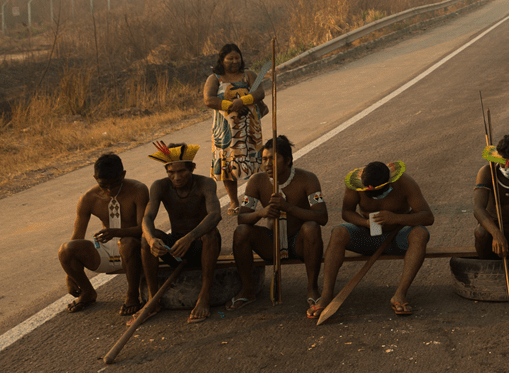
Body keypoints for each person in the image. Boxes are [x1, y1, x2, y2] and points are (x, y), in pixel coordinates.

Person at [309, 161, 433, 319]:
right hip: (368, 237)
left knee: (420, 234)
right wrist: (365, 222)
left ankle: (400, 294)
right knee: (338, 232)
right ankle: (326, 295)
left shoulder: (404, 183)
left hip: (397, 236)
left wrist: (395, 218)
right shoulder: (355, 185)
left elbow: (428, 216)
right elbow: (347, 212)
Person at [228, 136, 327, 312]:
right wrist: (261, 212)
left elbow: (322, 217)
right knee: (241, 232)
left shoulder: (308, 179)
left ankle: (312, 288)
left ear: (288, 160)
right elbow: (242, 218)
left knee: (311, 228)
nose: (266, 164)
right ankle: (248, 290)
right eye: (264, 159)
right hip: (271, 243)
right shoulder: (257, 181)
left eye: (272, 159)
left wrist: (288, 207)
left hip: (299, 242)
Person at [139, 142, 223, 324]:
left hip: (201, 243)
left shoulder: (206, 183)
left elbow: (215, 215)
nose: (176, 177)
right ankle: (154, 300)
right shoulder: (160, 186)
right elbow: (147, 218)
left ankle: (204, 297)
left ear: (192, 168)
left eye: (181, 171)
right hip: (177, 245)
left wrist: (191, 237)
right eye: (171, 172)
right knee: (146, 240)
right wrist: (152, 239)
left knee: (210, 233)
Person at [57, 154, 148, 315]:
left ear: (123, 175)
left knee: (126, 243)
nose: (109, 190)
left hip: (135, 251)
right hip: (107, 251)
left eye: (114, 184)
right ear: (95, 178)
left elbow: (143, 229)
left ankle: (132, 295)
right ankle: (87, 292)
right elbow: (77, 236)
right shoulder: (88, 198)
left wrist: (116, 232)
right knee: (66, 249)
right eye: (103, 185)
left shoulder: (138, 190)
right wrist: (69, 277)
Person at [203, 43, 265, 215]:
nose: (234, 61)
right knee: (228, 165)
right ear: (222, 60)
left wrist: (242, 101)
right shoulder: (215, 78)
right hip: (226, 131)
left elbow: (260, 93)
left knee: (253, 161)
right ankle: (234, 201)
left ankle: (252, 198)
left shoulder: (249, 75)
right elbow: (209, 100)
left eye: (237, 58)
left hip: (250, 128)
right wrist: (231, 105)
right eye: (230, 58)